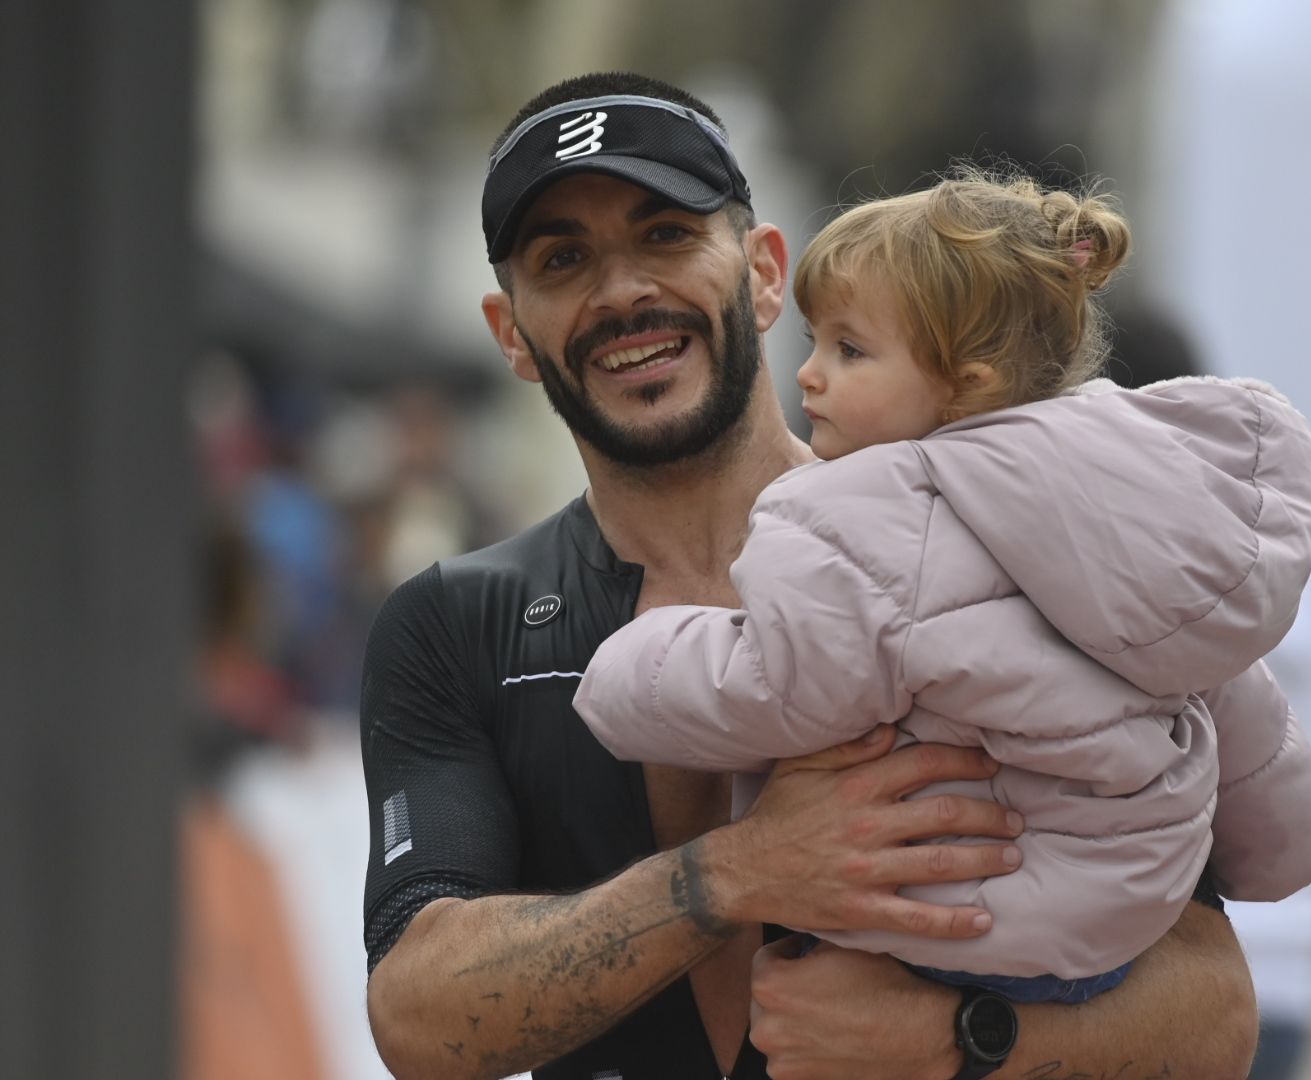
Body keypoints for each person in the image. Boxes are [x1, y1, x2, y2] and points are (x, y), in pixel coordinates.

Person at [361, 71, 1263, 1080]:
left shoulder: (991, 540)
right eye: (563, 259)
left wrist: (955, 1041)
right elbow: (418, 1015)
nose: (621, 292)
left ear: (762, 271)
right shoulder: (455, 621)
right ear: (511, 333)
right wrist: (732, 876)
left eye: (665, 234)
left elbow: (1217, 1011)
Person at [574, 171, 1311, 1008]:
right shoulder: (1135, 496)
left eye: (850, 349)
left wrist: (625, 668)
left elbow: (779, 683)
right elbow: (1238, 707)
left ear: (968, 382)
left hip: (974, 919)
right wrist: (1286, 853)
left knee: (798, 997)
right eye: (816, 340)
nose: (809, 375)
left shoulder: (867, 508)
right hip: (1127, 918)